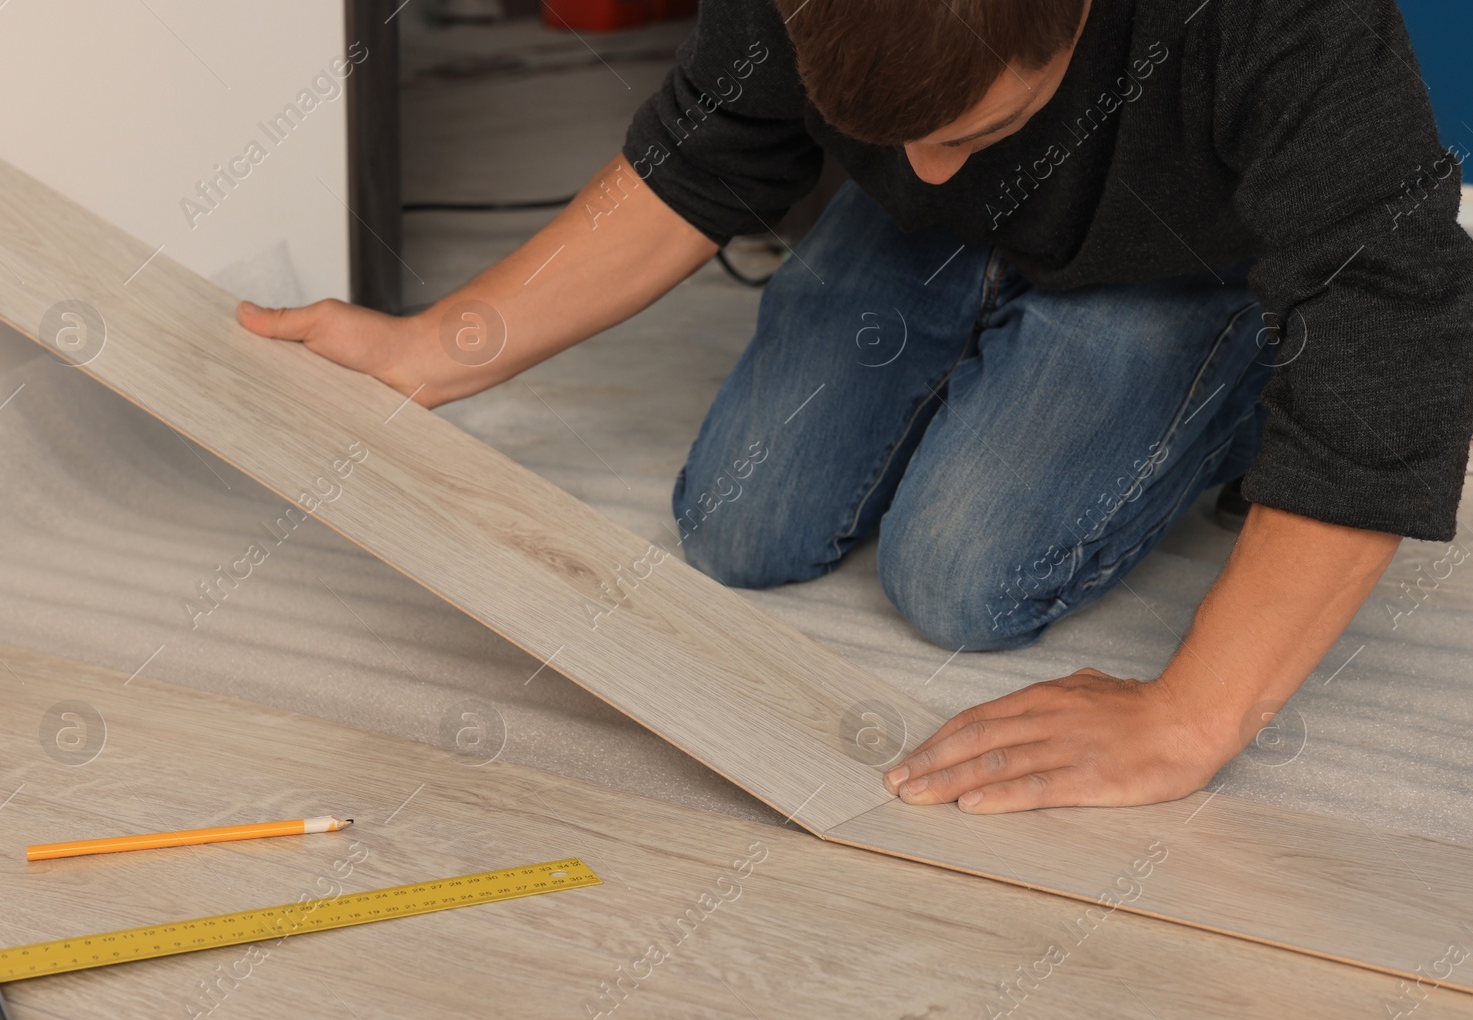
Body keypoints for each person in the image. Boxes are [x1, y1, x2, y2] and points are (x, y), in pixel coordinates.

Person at [237, 0, 1472, 814]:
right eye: (900, 134)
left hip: (1178, 247)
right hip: (916, 239)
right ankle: (972, 224)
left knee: (963, 577)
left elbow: (1391, 334)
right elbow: (704, 148)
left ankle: (1237, 348)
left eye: (977, 126)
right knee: (738, 520)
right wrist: (427, 353)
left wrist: (1194, 717)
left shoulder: (1280, 26)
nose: (937, 162)